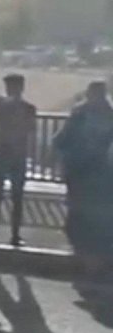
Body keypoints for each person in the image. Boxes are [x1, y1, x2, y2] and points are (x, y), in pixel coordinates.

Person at [54, 81, 113, 272]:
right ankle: (94, 256)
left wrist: (62, 157)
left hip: (84, 168)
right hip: (95, 169)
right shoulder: (105, 113)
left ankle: (87, 255)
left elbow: (61, 139)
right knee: (95, 211)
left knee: (80, 210)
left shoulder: (81, 113)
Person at [0, 74, 37, 247]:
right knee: (16, 197)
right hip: (17, 154)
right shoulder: (29, 108)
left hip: (3, 153)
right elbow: (31, 129)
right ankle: (13, 235)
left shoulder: (1, 107)